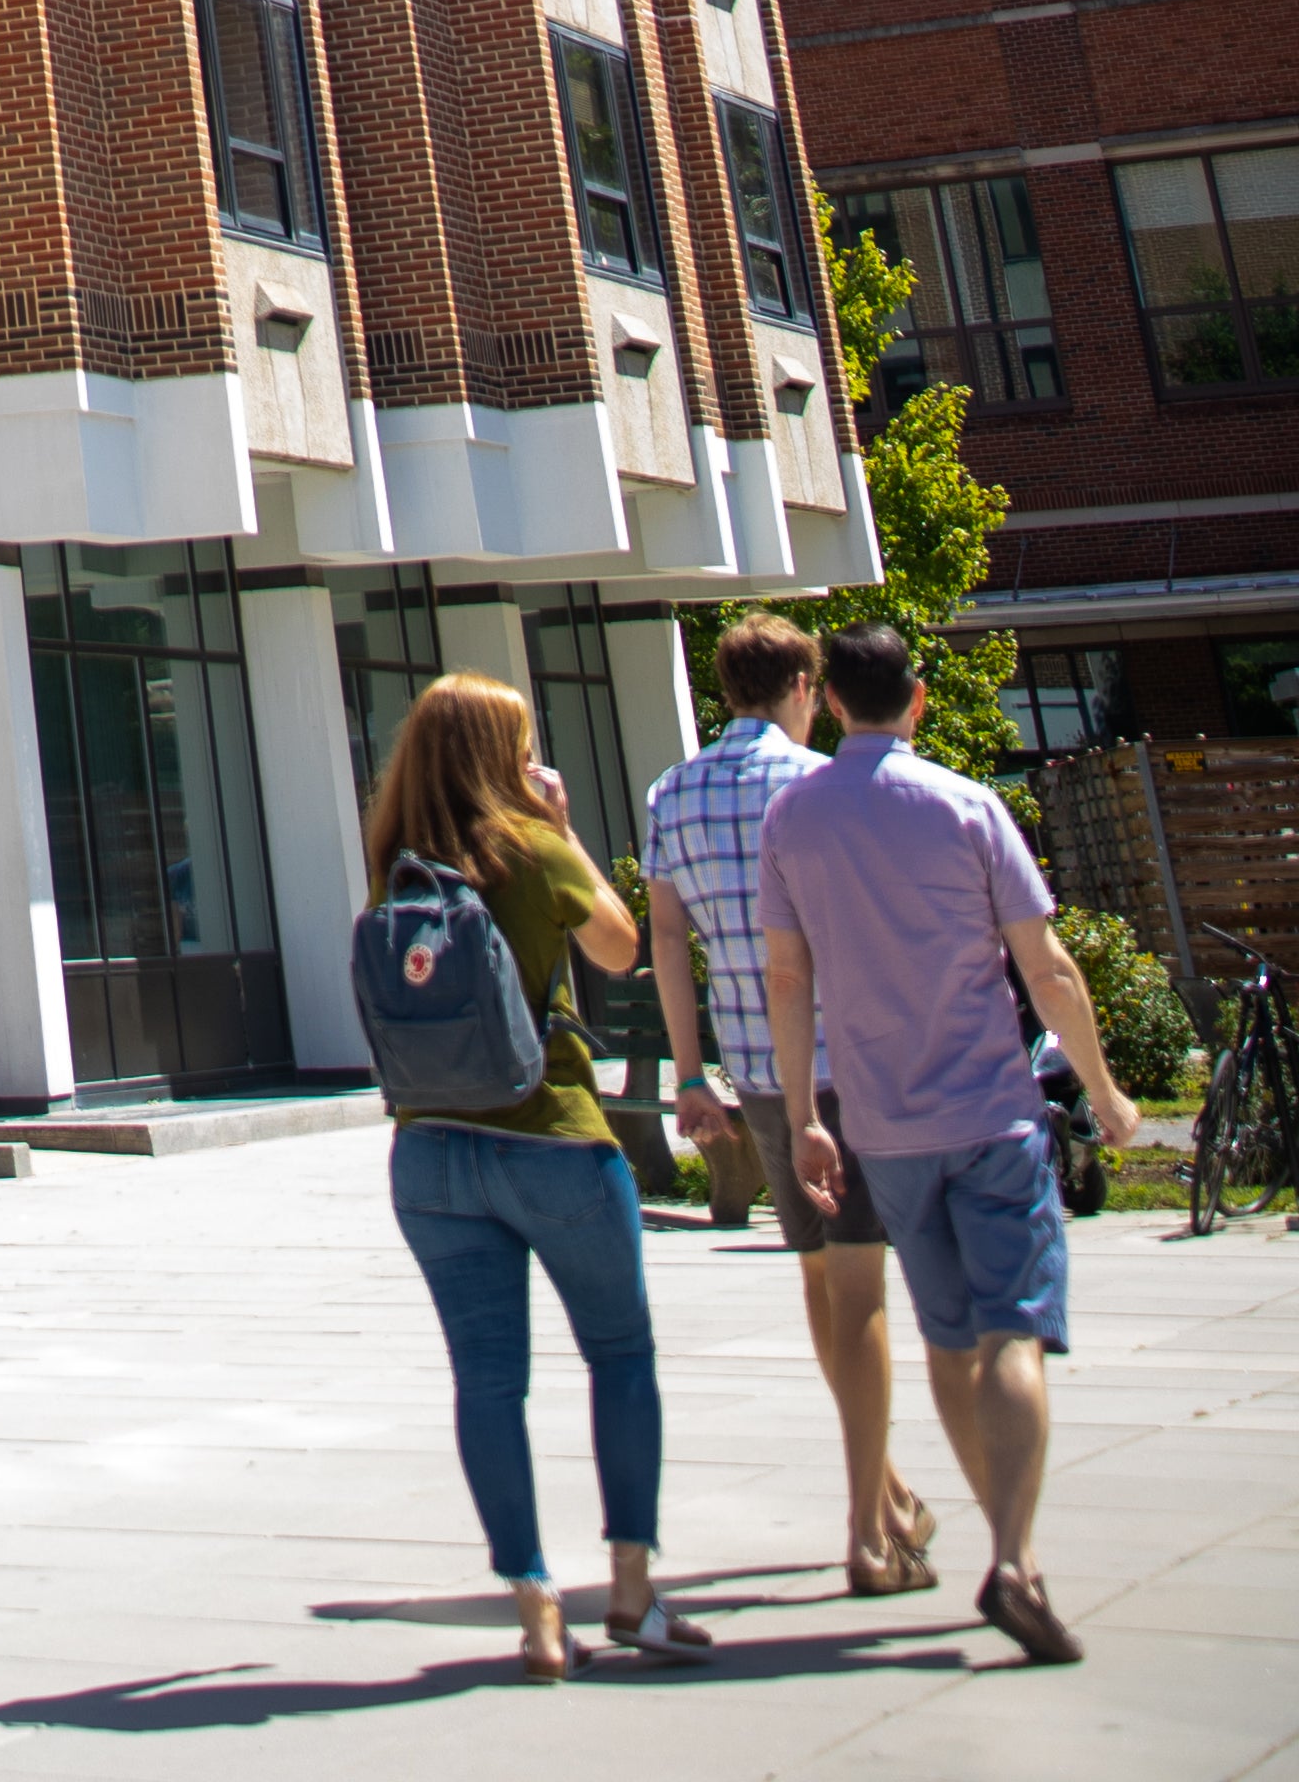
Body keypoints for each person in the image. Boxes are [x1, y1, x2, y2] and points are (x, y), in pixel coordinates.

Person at [762, 622, 1143, 1669]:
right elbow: (1047, 967)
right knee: (1012, 1336)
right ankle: (1014, 1559)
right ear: (915, 698)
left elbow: (785, 980)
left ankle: (1005, 1545)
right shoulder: (968, 808)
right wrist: (1105, 1090)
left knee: (944, 1339)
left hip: (879, 1126)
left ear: (831, 702)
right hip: (988, 1113)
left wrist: (801, 1114)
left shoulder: (792, 815)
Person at [364, 670, 704, 1682]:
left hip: (428, 1153)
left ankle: (534, 1606)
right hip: (552, 1135)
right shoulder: (532, 847)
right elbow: (618, 946)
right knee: (619, 1356)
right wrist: (560, 824)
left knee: (486, 1384)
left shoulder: (397, 870)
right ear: (496, 760)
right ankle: (632, 1592)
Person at [642, 613, 930, 1597]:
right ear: (804, 685)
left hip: (757, 1069)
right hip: (849, 1063)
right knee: (862, 1289)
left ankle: (886, 1492)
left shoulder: (669, 793)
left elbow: (668, 946)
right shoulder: (819, 785)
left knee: (817, 1280)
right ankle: (868, 1531)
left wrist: (688, 1073)